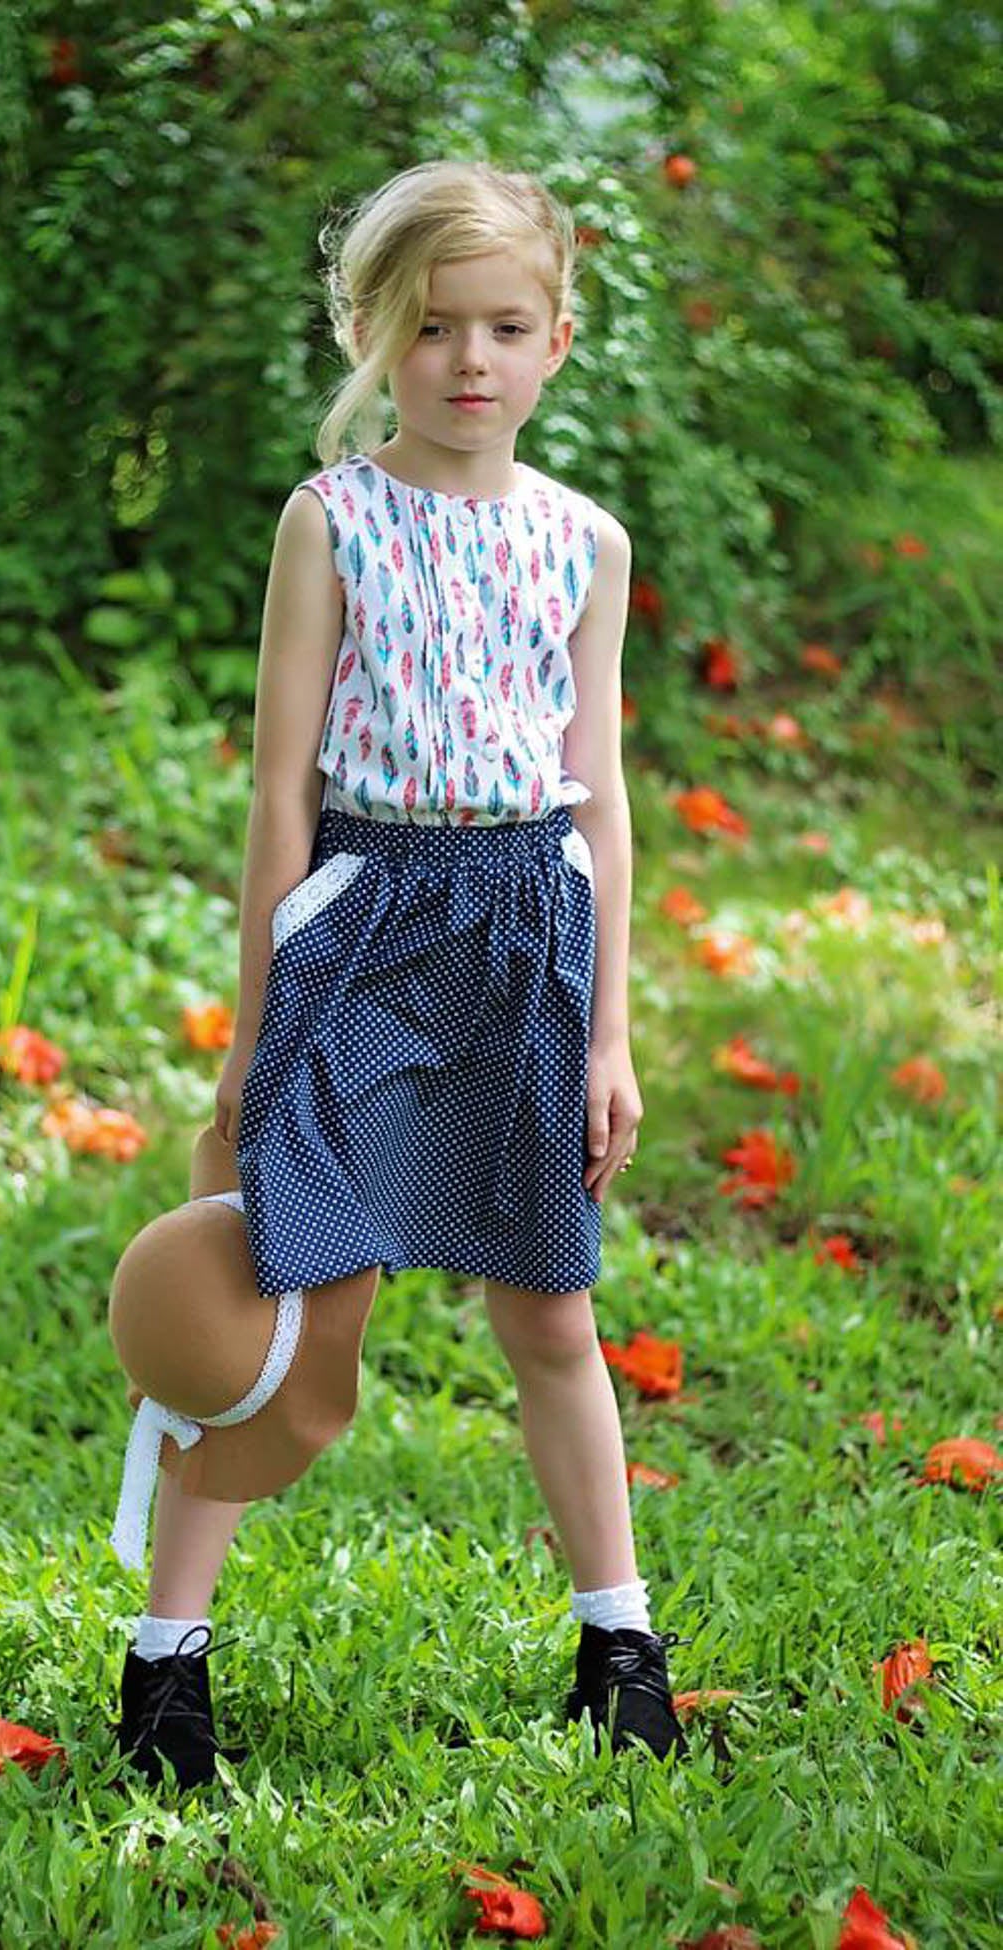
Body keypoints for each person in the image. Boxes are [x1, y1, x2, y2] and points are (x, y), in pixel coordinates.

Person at [123, 157, 690, 1785]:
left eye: (504, 325)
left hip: (525, 934)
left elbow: (602, 796)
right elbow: (281, 790)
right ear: (371, 334)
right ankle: (164, 1662)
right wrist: (255, 1029)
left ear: (558, 340)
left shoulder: (586, 543)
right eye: (432, 326)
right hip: (366, 922)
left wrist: (610, 1033)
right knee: (300, 1315)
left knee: (553, 1312)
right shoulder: (332, 523)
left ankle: (619, 1645)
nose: (468, 359)